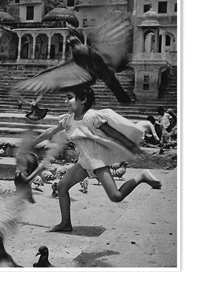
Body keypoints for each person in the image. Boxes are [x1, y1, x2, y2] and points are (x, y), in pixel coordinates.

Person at [29, 86, 162, 232]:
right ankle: (65, 223)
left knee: (116, 196)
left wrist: (132, 148)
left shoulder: (93, 117)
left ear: (83, 100)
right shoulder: (68, 120)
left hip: (98, 162)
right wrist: (32, 143)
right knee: (61, 187)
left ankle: (141, 177)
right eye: (65, 98)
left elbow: (114, 135)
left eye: (69, 97)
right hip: (84, 161)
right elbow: (50, 131)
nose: (65, 101)